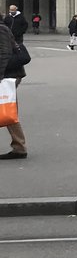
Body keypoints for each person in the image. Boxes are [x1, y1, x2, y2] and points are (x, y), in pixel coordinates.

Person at [0, 21, 27, 160]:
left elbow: (4, 54)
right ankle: (19, 146)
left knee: (8, 110)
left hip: (8, 76)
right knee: (8, 110)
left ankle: (19, 147)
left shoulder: (1, 29)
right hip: (6, 75)